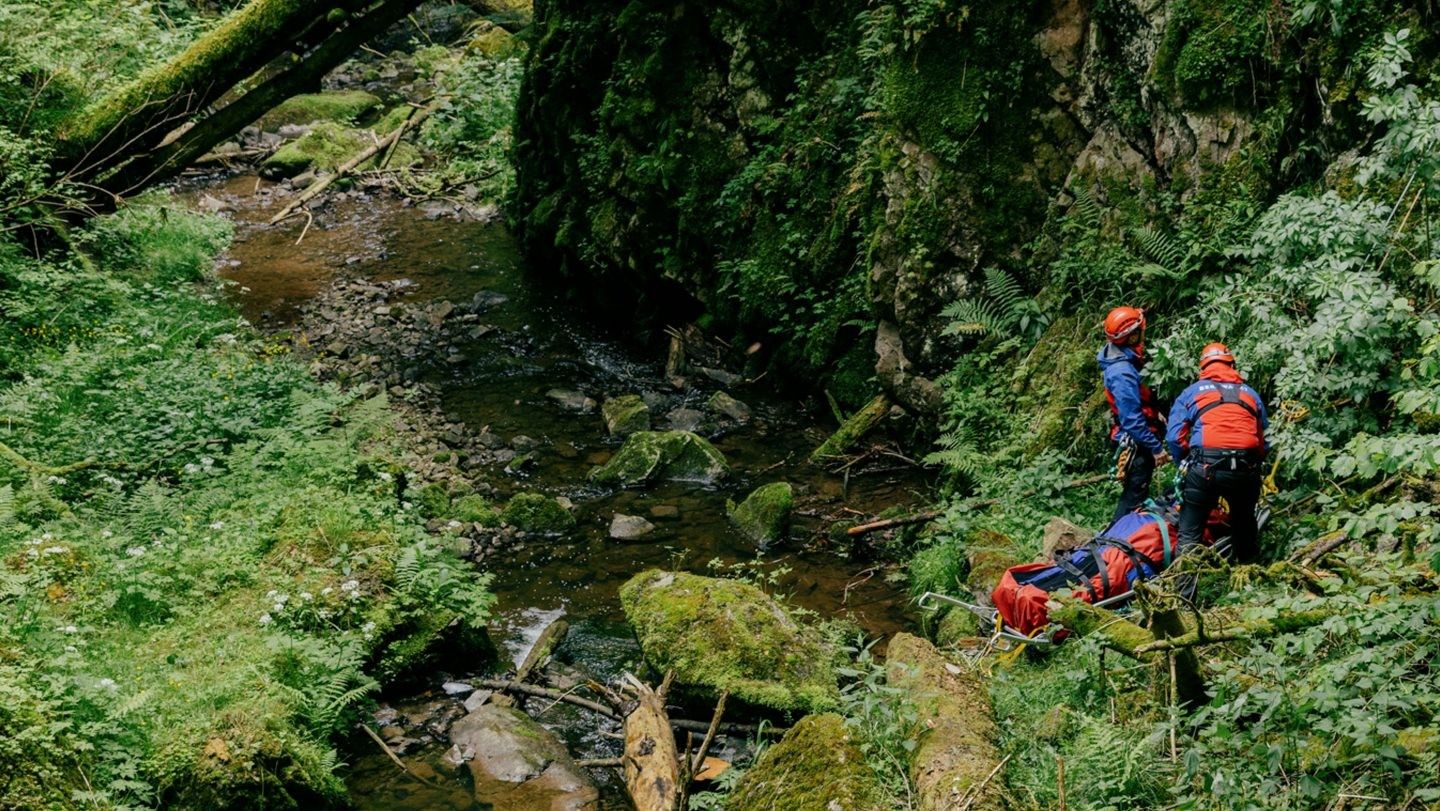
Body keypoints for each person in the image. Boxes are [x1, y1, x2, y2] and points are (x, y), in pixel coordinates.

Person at [1166, 342, 1269, 563]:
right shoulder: (1251, 394)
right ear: (1232, 364)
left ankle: (1183, 582)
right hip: (1245, 469)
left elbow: (1174, 437)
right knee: (1245, 527)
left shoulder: (1191, 393)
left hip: (1204, 469)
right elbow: (1262, 441)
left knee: (1189, 534)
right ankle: (1250, 576)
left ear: (1203, 368)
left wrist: (1184, 461)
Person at [1098, 306, 1167, 520]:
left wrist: (1155, 413)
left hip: (1137, 437)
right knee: (1133, 498)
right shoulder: (1122, 372)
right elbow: (1131, 419)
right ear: (1132, 336)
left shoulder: (1124, 357)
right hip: (1137, 443)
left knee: (1136, 494)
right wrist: (1156, 448)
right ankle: (1118, 536)